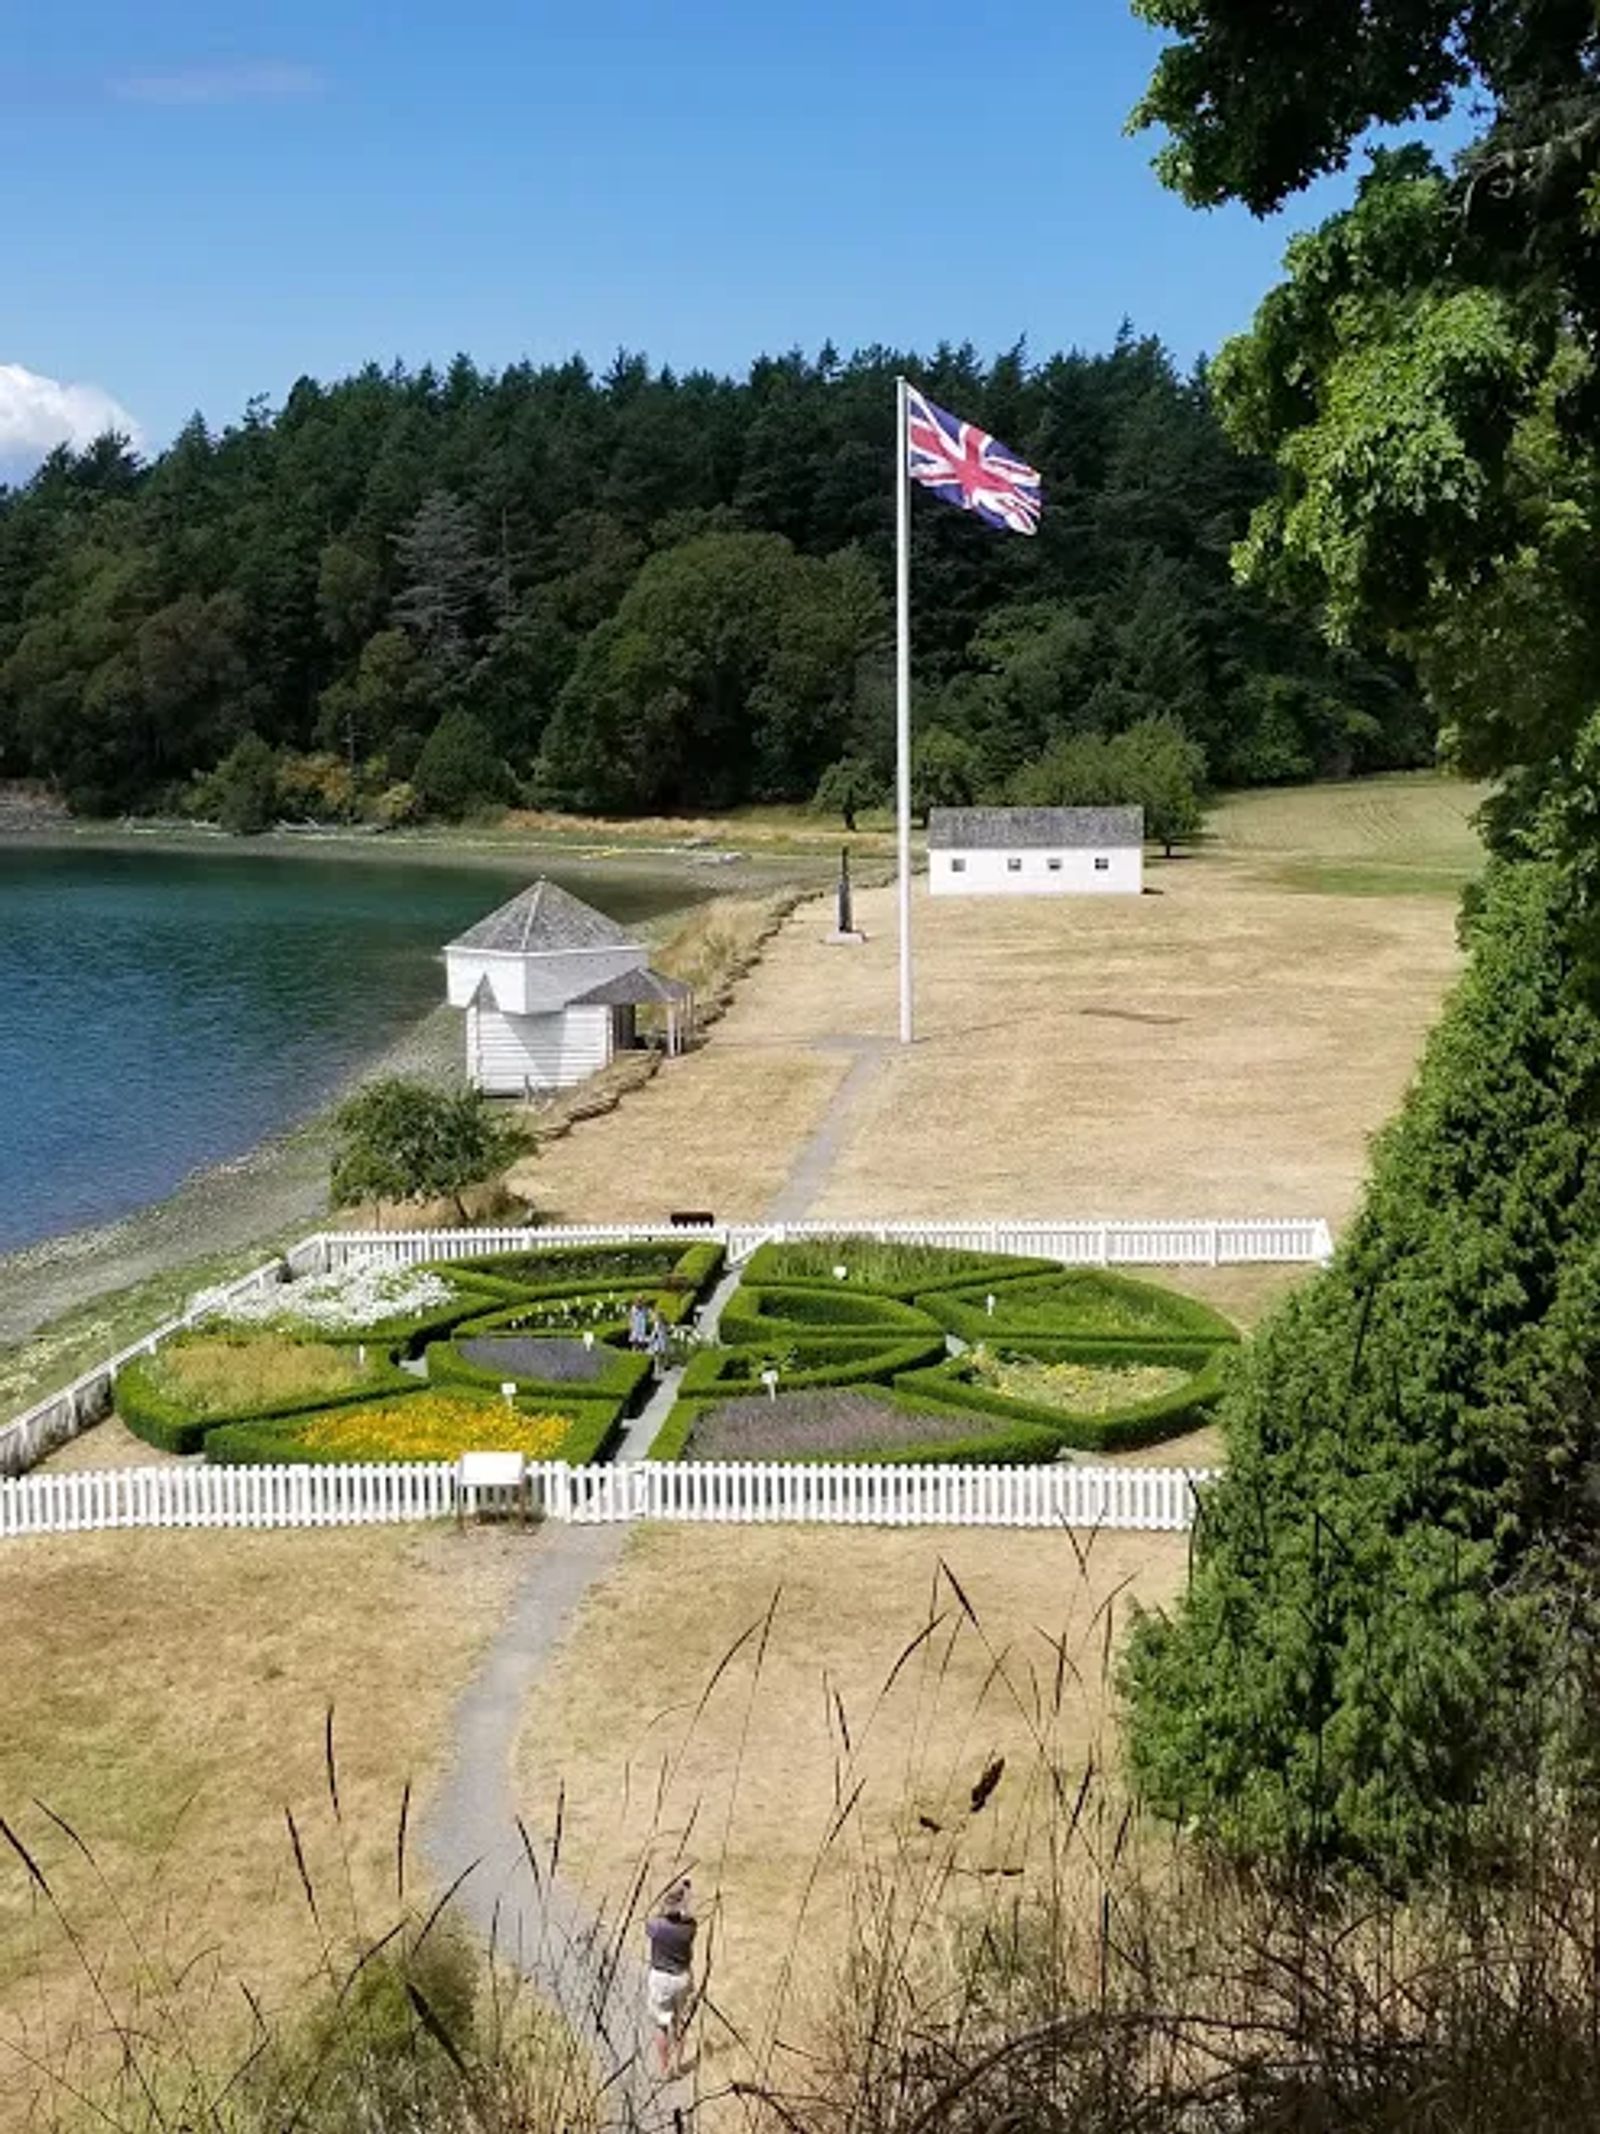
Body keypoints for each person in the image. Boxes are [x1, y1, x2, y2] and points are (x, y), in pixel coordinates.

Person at [645, 1876, 696, 2076]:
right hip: (681, 1978)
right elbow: (688, 1912)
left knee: (662, 2025)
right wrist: (686, 1891)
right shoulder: (689, 1927)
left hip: (660, 1978)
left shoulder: (656, 1927)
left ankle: (664, 2068)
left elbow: (652, 1916)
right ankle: (678, 2065)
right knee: (680, 2023)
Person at [647, 1309, 671, 1381]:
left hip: (661, 1340)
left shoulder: (661, 1323)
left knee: (660, 1355)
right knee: (659, 1355)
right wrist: (651, 1339)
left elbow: (655, 1332)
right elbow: (655, 1332)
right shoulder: (659, 1323)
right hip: (660, 1341)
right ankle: (659, 1368)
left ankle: (660, 1368)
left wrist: (651, 1339)